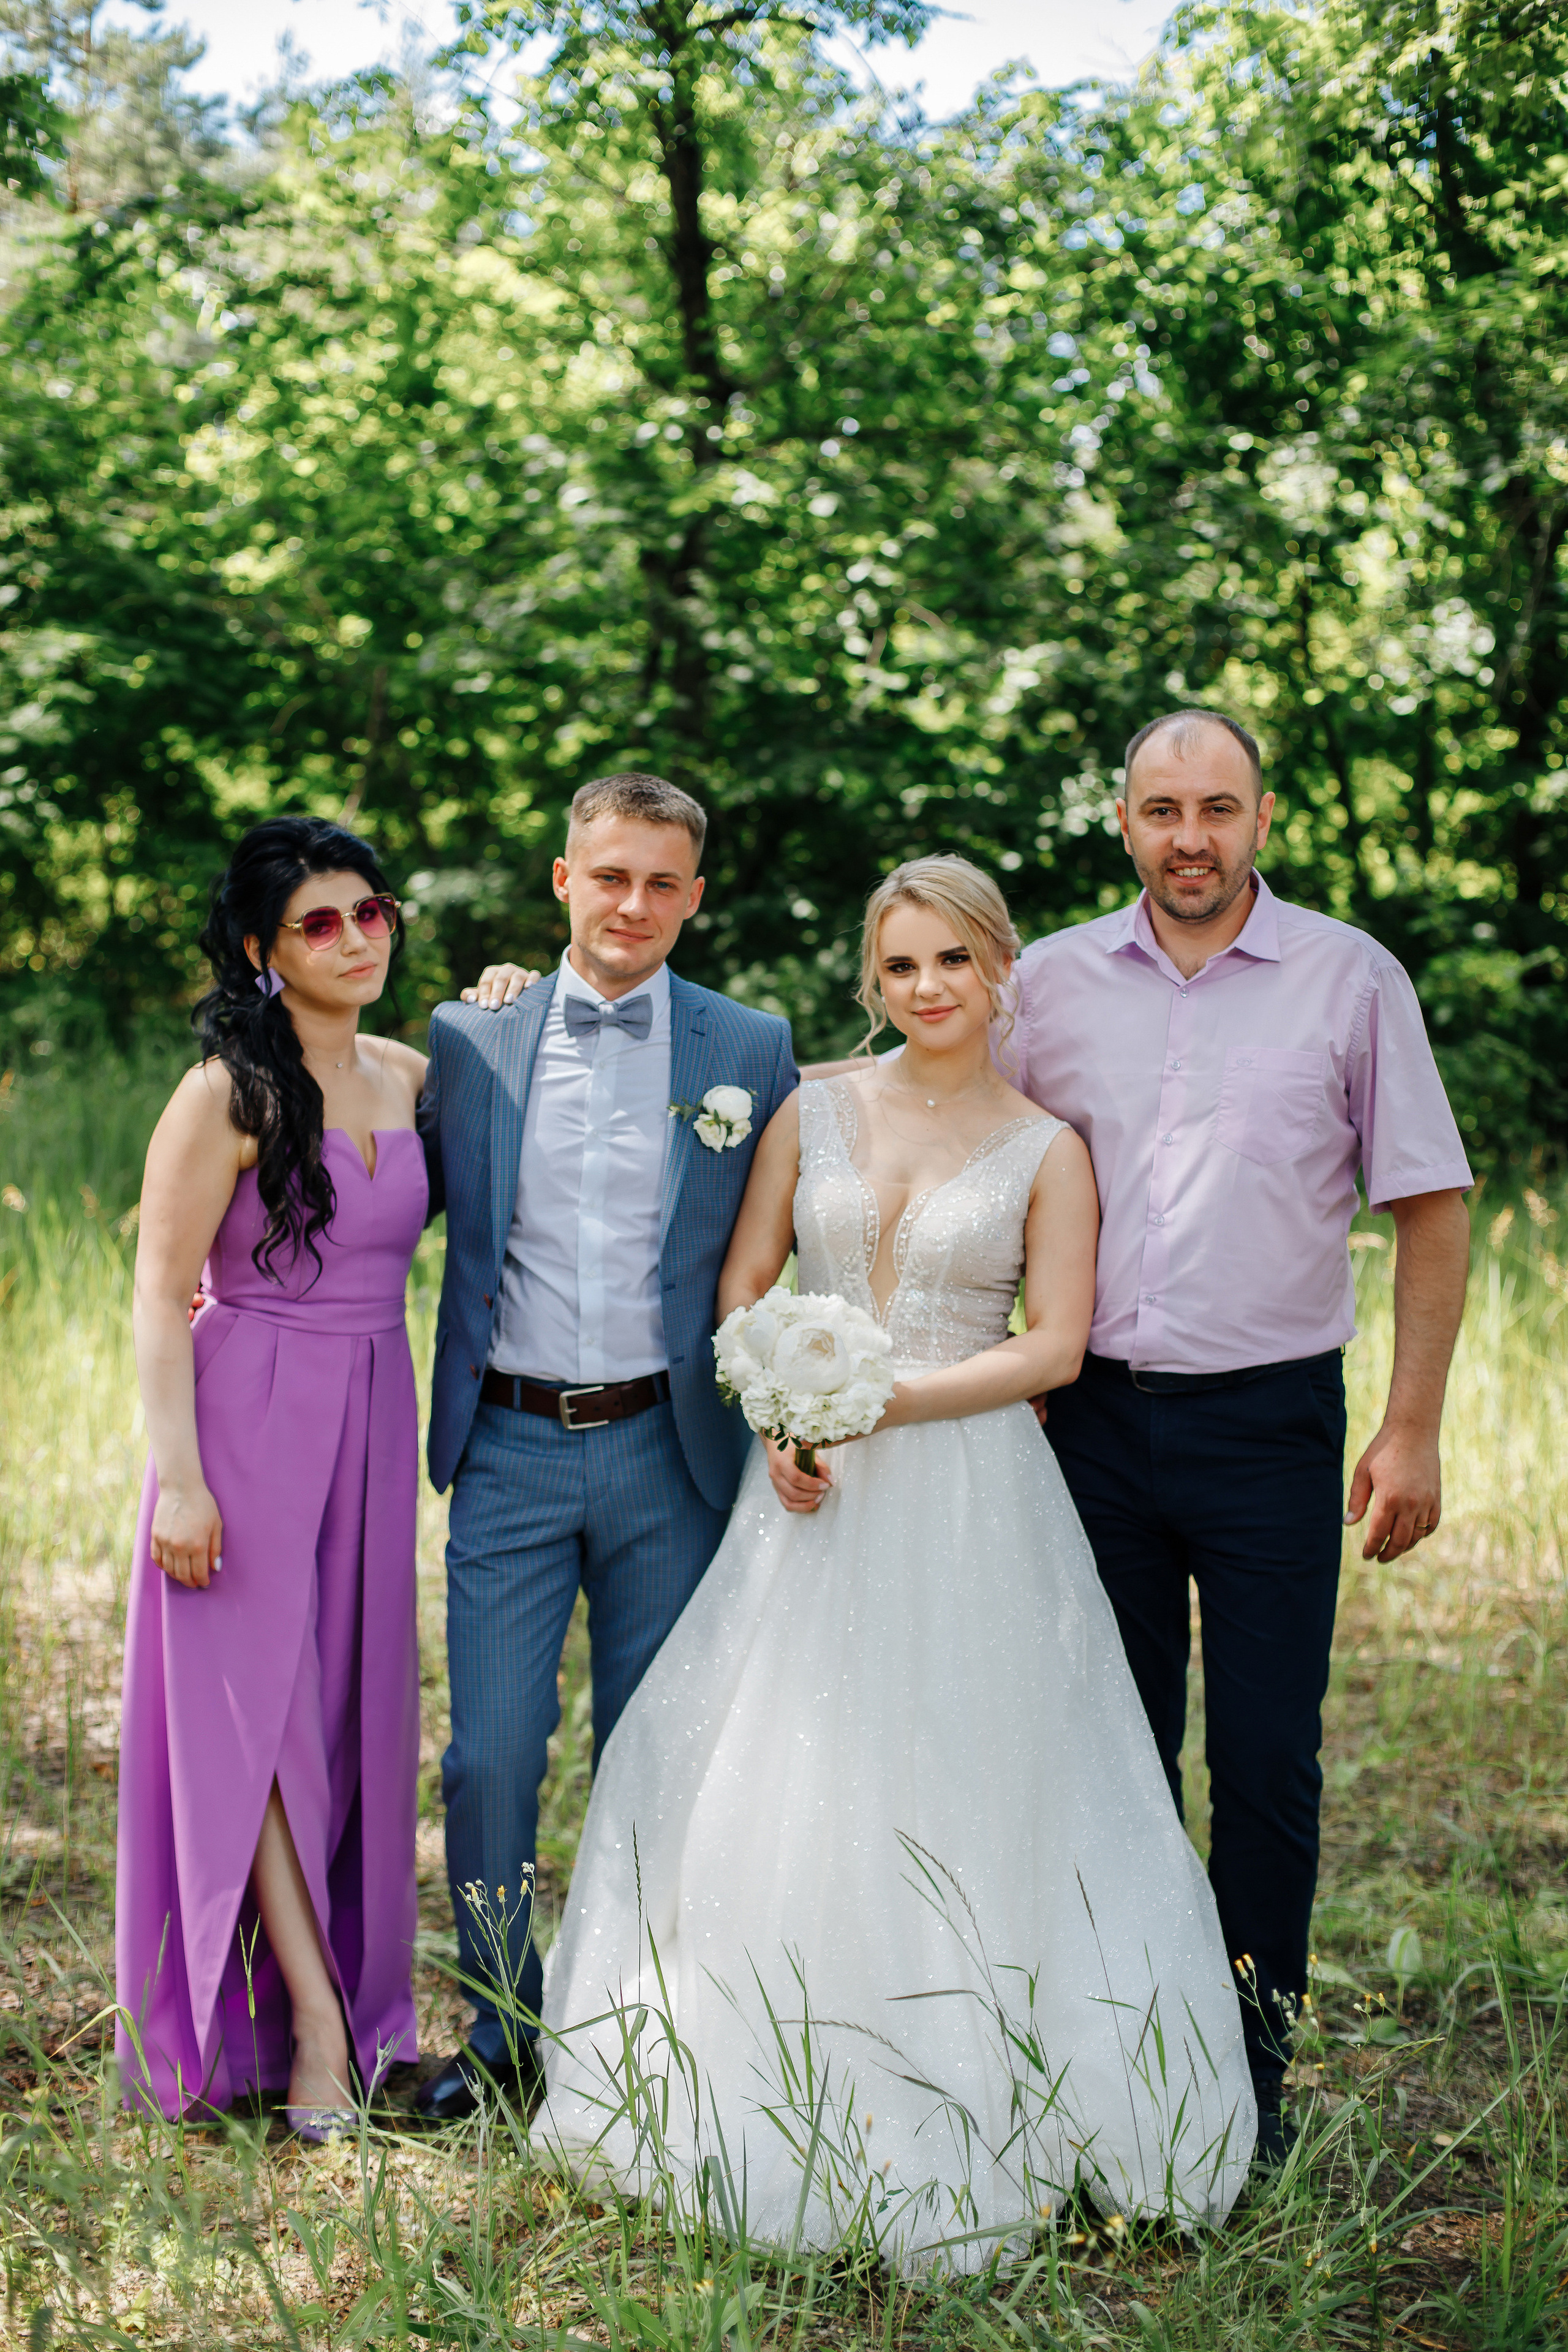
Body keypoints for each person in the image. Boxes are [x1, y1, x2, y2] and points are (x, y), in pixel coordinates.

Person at [536, 856, 1257, 2268]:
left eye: (952, 962)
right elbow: (745, 1284)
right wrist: (785, 1410)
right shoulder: (813, 1109)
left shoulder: (1050, 1148)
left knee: (972, 1769)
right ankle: (755, 2085)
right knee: (777, 1760)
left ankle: (1015, 2102)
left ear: (1002, 973)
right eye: (900, 965)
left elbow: (1052, 1344)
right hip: (802, 1488)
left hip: (971, 1487)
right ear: (872, 980)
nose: (926, 989)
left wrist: (884, 1400)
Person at [1009, 709, 1472, 2161]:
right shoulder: (1049, 982)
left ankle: (1251, 2082)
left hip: (1273, 1425)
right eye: (1161, 810)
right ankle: (1124, 2067)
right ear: (1124, 821)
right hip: (1081, 1425)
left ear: (1259, 820)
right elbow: (928, 1103)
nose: (1188, 838)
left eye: (1216, 809)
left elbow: (1430, 1209)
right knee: (1112, 1750)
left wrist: (1410, 1430)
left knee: (1263, 1765)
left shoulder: (1348, 978)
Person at [413, 772, 798, 2123]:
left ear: (693, 897)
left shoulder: (751, 1049)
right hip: (510, 1447)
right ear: (563, 880)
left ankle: (629, 2022)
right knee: (494, 1755)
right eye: (608, 876)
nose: (631, 904)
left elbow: (813, 1215)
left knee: (659, 1746)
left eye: (661, 882)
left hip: (669, 1452)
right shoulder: (468, 1037)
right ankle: (503, 2029)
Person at [116, 817, 429, 2135]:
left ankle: (352, 2008)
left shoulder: (415, 1072)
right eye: (320, 923)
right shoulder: (224, 1093)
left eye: (372, 912)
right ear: (260, 950)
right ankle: (311, 2025)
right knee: (252, 1724)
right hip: (245, 1418)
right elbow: (154, 1288)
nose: (355, 940)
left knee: (348, 1719)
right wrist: (178, 1480)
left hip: (372, 1410)